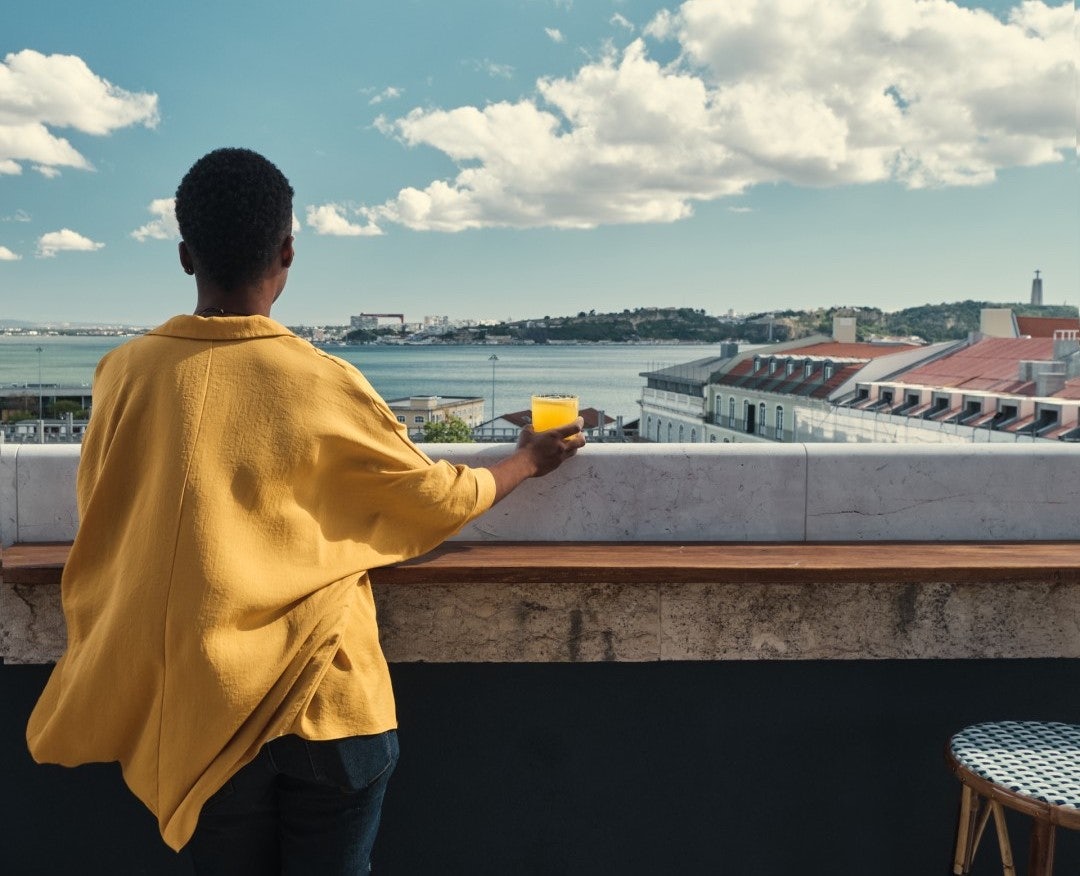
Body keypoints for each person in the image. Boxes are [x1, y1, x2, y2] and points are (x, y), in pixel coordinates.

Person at [25, 147, 585, 874]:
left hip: (202, 711)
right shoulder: (321, 378)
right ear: (287, 251)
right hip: (330, 710)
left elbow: (107, 512)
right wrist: (524, 461)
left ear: (186, 256)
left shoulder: (123, 373)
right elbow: (433, 499)